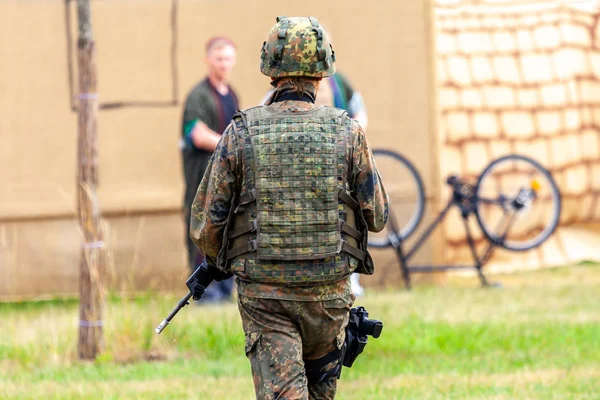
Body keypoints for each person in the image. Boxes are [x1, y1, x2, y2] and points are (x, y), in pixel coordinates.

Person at [190, 16, 388, 399]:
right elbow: (377, 217)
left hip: (268, 300)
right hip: (329, 297)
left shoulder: (240, 131)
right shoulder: (348, 131)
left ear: (270, 71)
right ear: (322, 73)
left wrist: (224, 260)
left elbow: (205, 226)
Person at [180, 36, 239, 303]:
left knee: (229, 232)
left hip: (228, 185)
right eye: (219, 58)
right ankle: (206, 294)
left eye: (228, 58)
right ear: (208, 60)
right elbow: (196, 133)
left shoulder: (232, 95)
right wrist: (231, 146)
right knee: (202, 232)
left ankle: (225, 290)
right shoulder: (198, 96)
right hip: (202, 183)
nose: (224, 64)